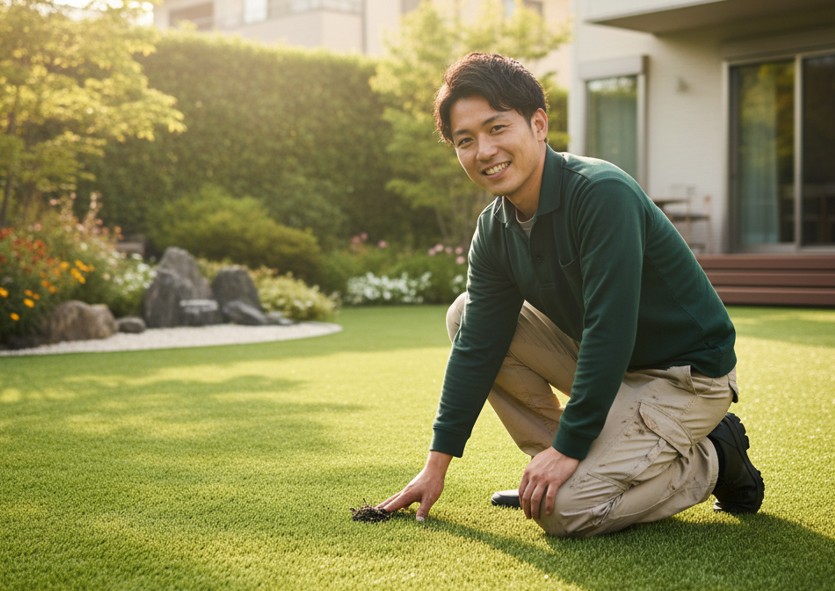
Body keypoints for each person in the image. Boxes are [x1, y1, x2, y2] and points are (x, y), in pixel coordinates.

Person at [377, 53, 764, 537]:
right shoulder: (494, 229)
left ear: (538, 124)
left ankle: (715, 456)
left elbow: (610, 327)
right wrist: (436, 465)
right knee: (466, 315)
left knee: (565, 514)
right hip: (614, 369)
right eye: (465, 141)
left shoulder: (601, 193)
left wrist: (575, 445)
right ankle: (554, 466)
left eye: (497, 128)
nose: (484, 151)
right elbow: (478, 346)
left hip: (684, 376)